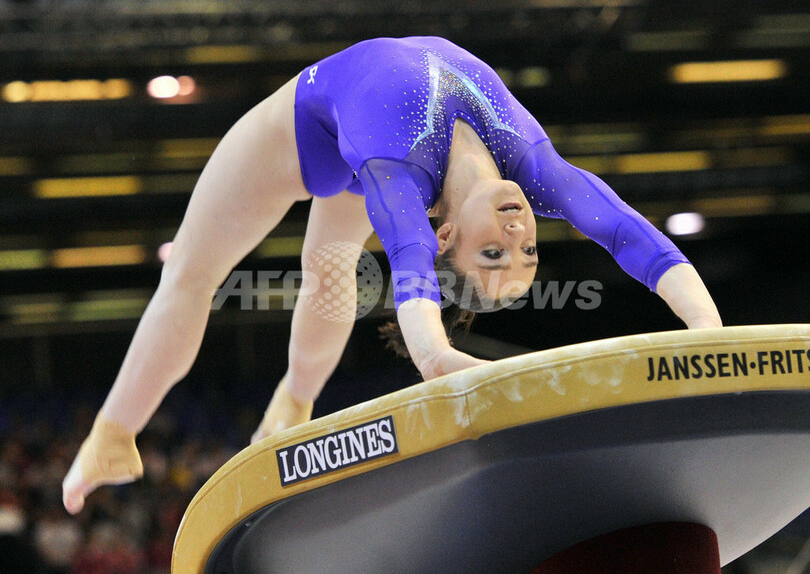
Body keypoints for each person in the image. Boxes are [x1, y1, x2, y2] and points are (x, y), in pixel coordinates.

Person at [62, 36, 722, 515]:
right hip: (321, 119)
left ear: (448, 235)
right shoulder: (532, 167)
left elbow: (408, 266)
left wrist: (433, 355)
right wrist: (706, 326)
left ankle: (245, 404)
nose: (520, 240)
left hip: (312, 138)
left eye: (494, 256)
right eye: (526, 255)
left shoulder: (402, 187)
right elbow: (628, 231)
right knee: (198, 277)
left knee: (315, 271)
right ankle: (115, 435)